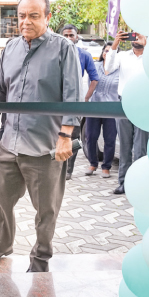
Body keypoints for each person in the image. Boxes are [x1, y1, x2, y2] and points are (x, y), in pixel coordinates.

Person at [0, 0, 80, 273]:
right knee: (1, 200)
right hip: (9, 143)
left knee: (46, 209)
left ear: (47, 17)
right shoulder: (10, 48)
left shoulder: (63, 49)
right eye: (22, 16)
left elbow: (73, 96)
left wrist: (65, 136)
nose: (26, 21)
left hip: (45, 146)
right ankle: (2, 245)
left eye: (34, 16)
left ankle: (40, 258)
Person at [104, 31, 149, 195]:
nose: (135, 38)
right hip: (124, 103)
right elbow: (108, 68)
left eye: (139, 35)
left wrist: (148, 47)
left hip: (145, 104)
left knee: (141, 148)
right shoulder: (122, 56)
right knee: (124, 145)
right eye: (133, 35)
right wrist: (115, 44)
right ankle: (123, 182)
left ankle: (140, 183)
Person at [61, 24, 99, 180]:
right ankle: (56, 167)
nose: (68, 38)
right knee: (55, 135)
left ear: (77, 37)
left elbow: (95, 78)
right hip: (56, 103)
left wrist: (85, 98)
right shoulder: (54, 54)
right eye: (65, 35)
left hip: (75, 104)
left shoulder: (84, 55)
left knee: (74, 137)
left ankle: (68, 170)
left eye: (71, 35)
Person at [84, 43, 119, 178]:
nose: (107, 53)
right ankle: (93, 163)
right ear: (102, 53)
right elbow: (90, 83)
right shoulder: (95, 66)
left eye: (110, 51)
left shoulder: (119, 69)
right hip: (94, 107)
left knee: (109, 139)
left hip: (111, 109)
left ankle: (106, 167)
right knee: (91, 136)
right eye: (105, 51)